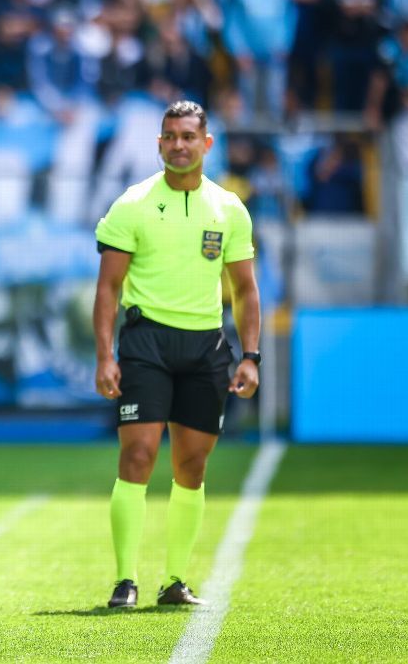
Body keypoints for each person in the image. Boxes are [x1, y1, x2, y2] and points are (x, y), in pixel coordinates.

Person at [93, 100, 260, 609]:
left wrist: (250, 356)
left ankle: (175, 581)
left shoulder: (229, 208)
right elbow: (108, 289)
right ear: (160, 143)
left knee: (192, 465)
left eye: (189, 136)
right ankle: (125, 579)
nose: (179, 144)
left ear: (207, 144)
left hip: (206, 345)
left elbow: (246, 292)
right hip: (146, 344)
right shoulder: (133, 203)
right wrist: (105, 355)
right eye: (170, 136)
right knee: (138, 455)